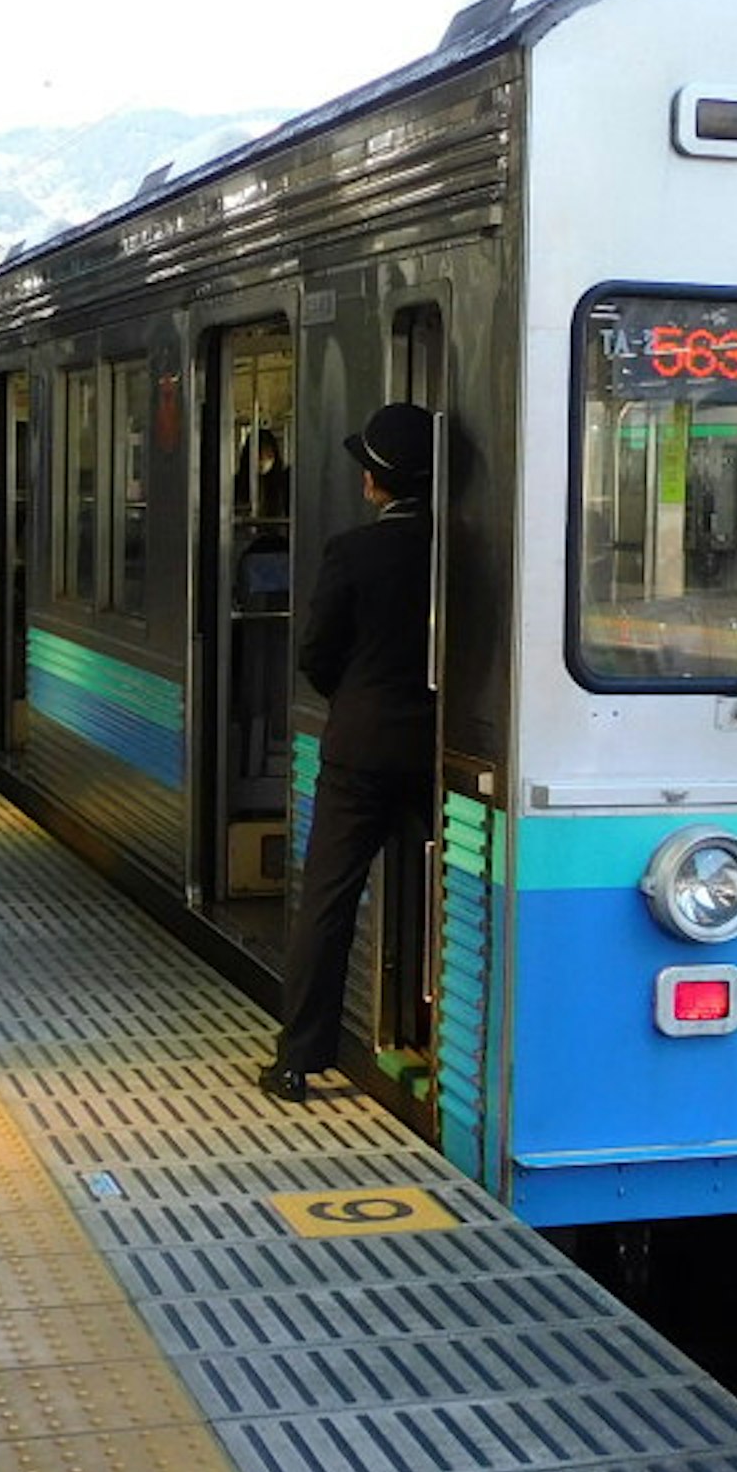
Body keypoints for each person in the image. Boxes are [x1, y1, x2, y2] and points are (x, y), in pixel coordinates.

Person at [261, 401, 439, 1102]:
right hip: (440, 750)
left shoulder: (353, 551)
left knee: (328, 901)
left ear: (374, 484)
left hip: (360, 752)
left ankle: (299, 1060)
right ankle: (448, 1034)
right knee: (456, 893)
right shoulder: (465, 550)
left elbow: (317, 654)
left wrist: (357, 699)